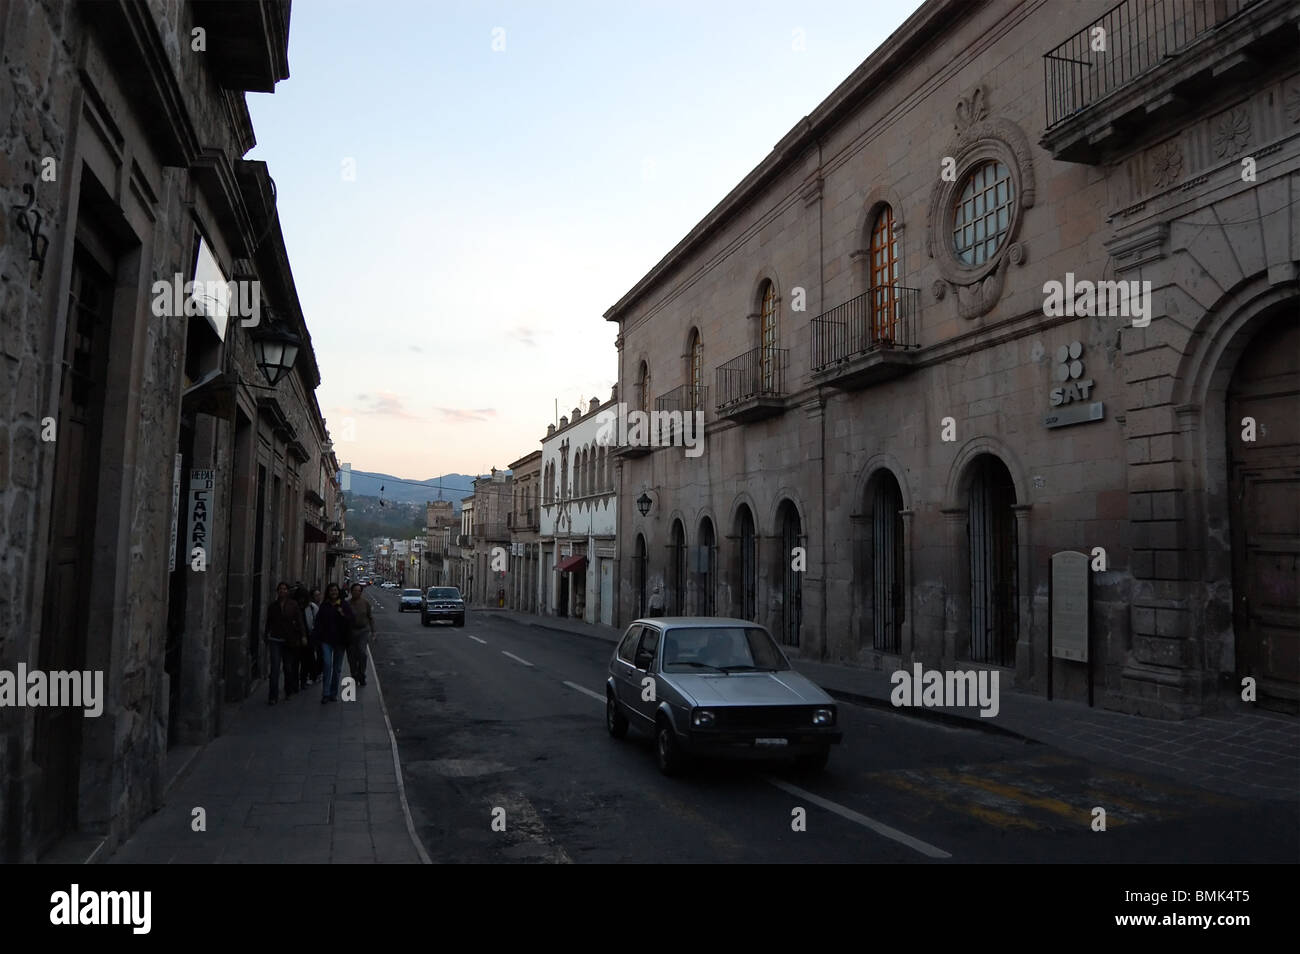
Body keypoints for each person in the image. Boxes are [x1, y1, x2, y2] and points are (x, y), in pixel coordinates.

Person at [264, 581, 305, 705]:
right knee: (275, 669)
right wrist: (266, 634)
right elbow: (269, 622)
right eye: (280, 589)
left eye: (284, 589)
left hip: (289, 640)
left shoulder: (293, 605)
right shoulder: (273, 606)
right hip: (275, 639)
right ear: (278, 591)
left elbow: (299, 620)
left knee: (288, 667)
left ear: (288, 591)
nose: (282, 591)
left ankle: (288, 691)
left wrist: (303, 635)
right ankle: (273, 696)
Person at [313, 582, 353, 703]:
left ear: (338, 592)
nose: (333, 593)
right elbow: (319, 622)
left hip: (340, 641)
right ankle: (325, 693)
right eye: (331, 591)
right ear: (328, 593)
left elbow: (351, 620)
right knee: (327, 665)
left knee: (337, 669)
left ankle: (333, 693)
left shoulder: (344, 605)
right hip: (326, 640)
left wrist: (342, 614)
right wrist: (316, 637)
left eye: (335, 590)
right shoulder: (324, 606)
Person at [346, 582, 375, 687]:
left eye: (358, 591)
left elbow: (370, 617)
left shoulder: (365, 603)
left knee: (362, 653)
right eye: (354, 591)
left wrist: (373, 632)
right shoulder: (347, 604)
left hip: (363, 631)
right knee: (351, 656)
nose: (356, 593)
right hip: (350, 632)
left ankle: (362, 673)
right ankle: (354, 674)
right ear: (351, 592)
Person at [301, 586, 322, 689]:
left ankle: (312, 675)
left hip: (313, 636)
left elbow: (318, 622)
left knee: (312, 657)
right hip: (304, 637)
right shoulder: (303, 607)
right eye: (316, 595)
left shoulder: (314, 607)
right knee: (308, 658)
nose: (318, 597)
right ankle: (309, 676)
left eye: (319, 595)